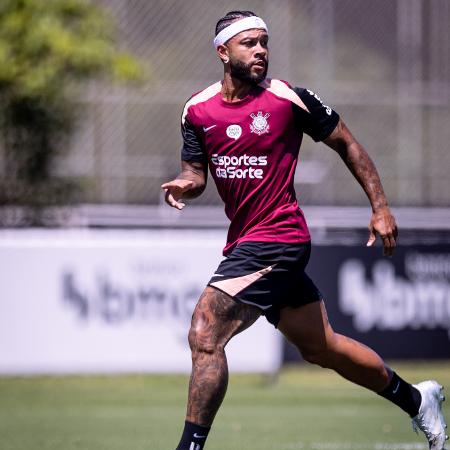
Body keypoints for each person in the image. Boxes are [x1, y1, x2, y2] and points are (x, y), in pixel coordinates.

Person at [161, 10, 448, 450]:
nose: (261, 50)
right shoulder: (197, 110)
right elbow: (195, 172)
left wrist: (380, 206)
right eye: (249, 43)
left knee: (205, 331)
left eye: (264, 42)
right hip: (247, 240)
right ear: (223, 52)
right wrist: (186, 184)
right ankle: (417, 400)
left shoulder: (286, 98)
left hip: (279, 238)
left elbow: (347, 143)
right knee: (321, 347)